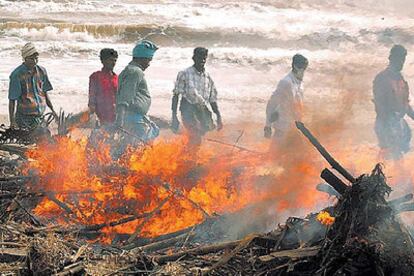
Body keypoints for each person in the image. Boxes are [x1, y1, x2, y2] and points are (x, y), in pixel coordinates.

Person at [171, 47, 223, 146]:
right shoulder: (185, 73)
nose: (202, 61)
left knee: (204, 133)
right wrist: (174, 116)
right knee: (195, 135)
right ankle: (188, 157)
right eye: (199, 58)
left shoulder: (208, 78)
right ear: (194, 58)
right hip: (188, 108)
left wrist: (218, 116)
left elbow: (212, 99)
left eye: (204, 58)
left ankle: (189, 154)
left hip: (203, 109)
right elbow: (176, 95)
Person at [373, 45, 414, 159]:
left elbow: (405, 105)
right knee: (390, 155)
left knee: (398, 156)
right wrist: (389, 126)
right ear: (391, 58)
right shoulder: (382, 78)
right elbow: (380, 105)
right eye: (399, 59)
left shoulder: (401, 80)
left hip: (398, 124)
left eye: (403, 60)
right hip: (386, 123)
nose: (401, 62)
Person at [116, 40, 159, 144]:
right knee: (134, 146)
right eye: (148, 60)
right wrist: (120, 119)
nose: (149, 64)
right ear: (141, 58)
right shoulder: (135, 72)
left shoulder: (130, 70)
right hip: (132, 118)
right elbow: (125, 96)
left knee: (153, 132)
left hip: (135, 116)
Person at [8, 42, 57, 129]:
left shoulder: (42, 71)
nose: (34, 61)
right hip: (24, 119)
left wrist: (53, 110)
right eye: (31, 59)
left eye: (36, 58)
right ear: (25, 58)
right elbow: (12, 100)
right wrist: (12, 121)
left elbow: (45, 93)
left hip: (40, 117)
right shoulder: (17, 75)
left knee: (47, 140)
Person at [264, 54, 308, 141]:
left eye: (305, 68)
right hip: (283, 127)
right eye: (302, 68)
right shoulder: (286, 83)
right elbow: (272, 103)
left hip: (295, 127)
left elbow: (298, 105)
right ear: (295, 66)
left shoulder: (300, 83)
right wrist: (267, 125)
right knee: (275, 153)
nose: (303, 71)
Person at [88, 48, 118, 125]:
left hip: (115, 113)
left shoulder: (117, 78)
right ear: (103, 61)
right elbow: (92, 95)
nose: (113, 63)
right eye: (110, 60)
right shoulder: (95, 76)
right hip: (101, 113)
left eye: (115, 60)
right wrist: (92, 114)